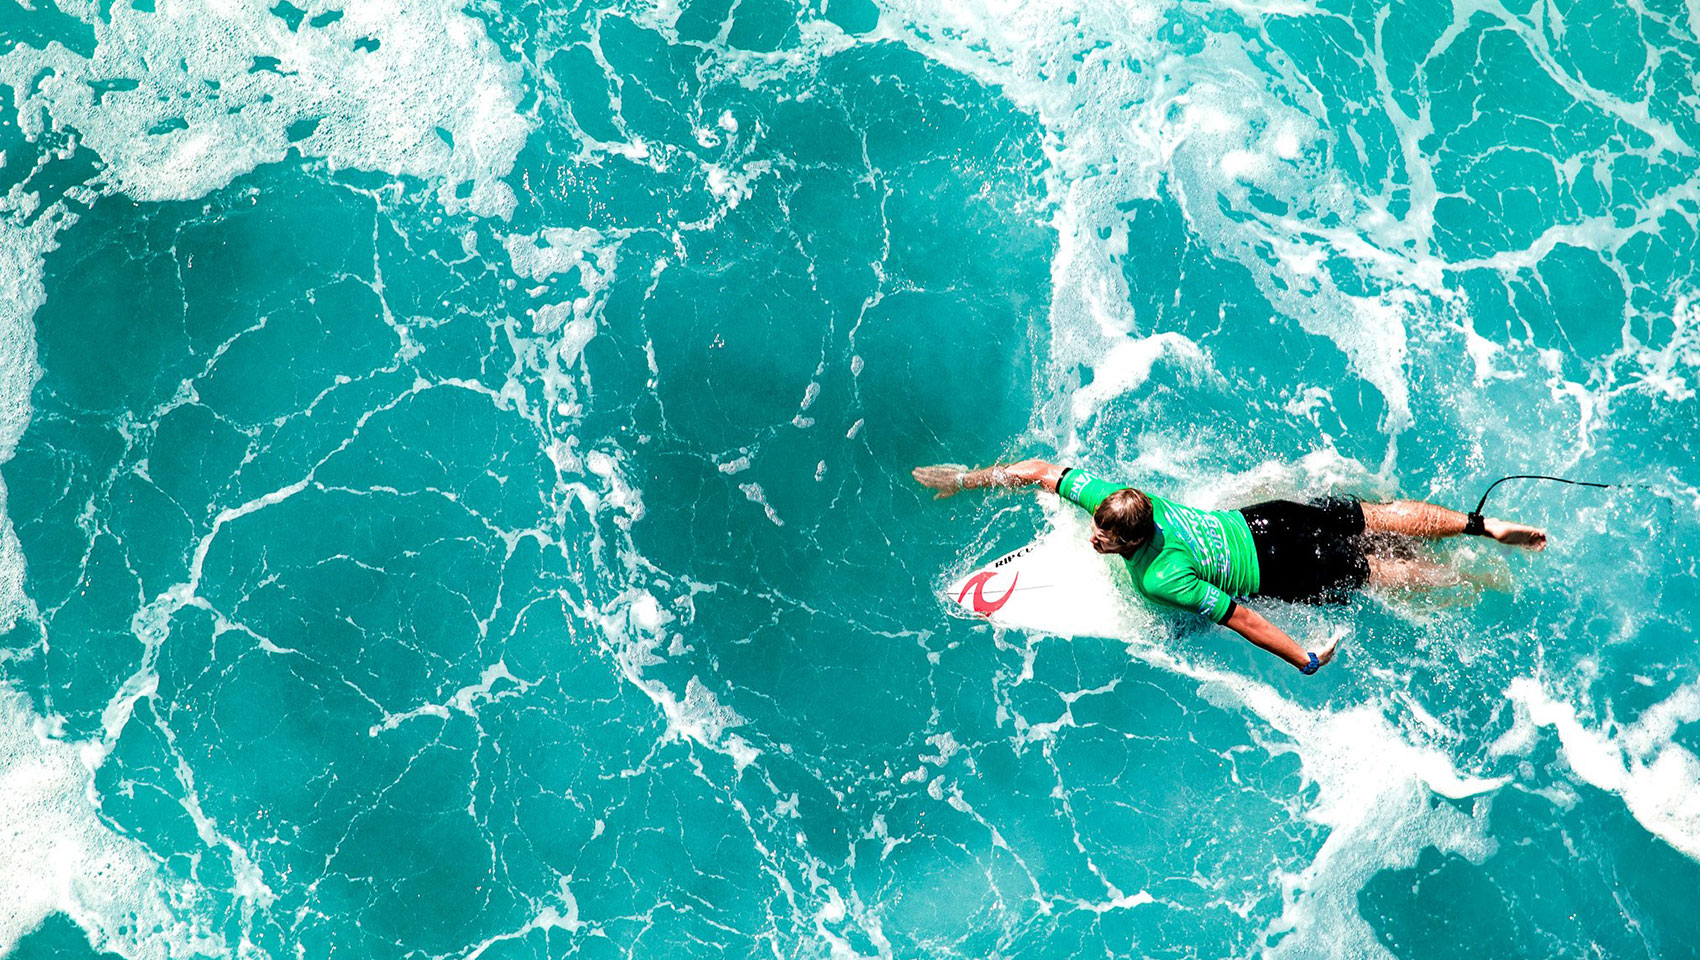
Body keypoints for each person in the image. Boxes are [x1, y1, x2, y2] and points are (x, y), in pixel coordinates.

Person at [912, 459, 1547, 675]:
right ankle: (1481, 526)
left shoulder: (1159, 579)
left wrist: (1303, 658)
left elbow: (1240, 615)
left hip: (1280, 565)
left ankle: (1475, 577)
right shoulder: (1132, 501)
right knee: (1373, 517)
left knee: (1375, 570)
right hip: (1269, 517)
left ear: (1130, 540)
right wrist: (969, 480)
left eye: (1103, 537)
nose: (1094, 538)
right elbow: (1044, 471)